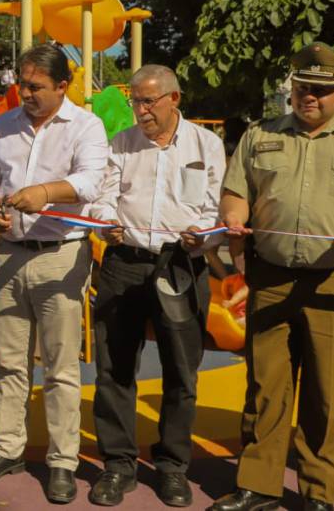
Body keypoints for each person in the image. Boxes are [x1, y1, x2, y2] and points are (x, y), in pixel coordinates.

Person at [208, 42, 334, 511]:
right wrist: (235, 217)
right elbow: (236, 192)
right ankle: (259, 486)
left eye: (320, 90)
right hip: (271, 276)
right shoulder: (261, 136)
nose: (308, 97)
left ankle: (318, 493)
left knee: (326, 393)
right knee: (266, 388)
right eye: (302, 88)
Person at [0, 43, 109, 505]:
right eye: (21, 84)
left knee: (61, 367)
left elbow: (90, 182)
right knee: (9, 360)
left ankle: (62, 461)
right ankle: (8, 448)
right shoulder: (4, 126)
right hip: (9, 251)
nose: (24, 93)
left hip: (60, 254)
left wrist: (44, 192)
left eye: (35, 86)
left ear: (62, 86)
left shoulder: (86, 126)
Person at [88, 64, 226, 508]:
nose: (141, 111)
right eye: (136, 102)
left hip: (181, 265)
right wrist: (106, 221)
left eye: (149, 102)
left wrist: (202, 234)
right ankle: (118, 465)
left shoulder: (207, 145)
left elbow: (215, 208)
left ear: (174, 99)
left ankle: (171, 468)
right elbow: (104, 196)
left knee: (181, 373)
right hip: (124, 263)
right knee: (114, 369)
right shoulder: (122, 144)